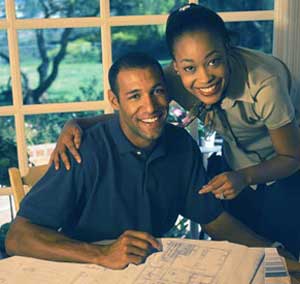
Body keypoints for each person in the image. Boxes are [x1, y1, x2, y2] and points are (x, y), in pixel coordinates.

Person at [50, 4, 300, 260]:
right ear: (176, 66)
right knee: (246, 250)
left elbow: (291, 158)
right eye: (190, 68)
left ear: (228, 48)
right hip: (235, 166)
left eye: (213, 61)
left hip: (284, 166)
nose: (204, 78)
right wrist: (79, 124)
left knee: (284, 251)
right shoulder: (167, 81)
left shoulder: (265, 83)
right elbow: (137, 111)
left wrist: (245, 179)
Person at [6, 52, 281, 271]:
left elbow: (213, 220)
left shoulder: (182, 146)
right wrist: (102, 254)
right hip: (84, 266)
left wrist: (275, 252)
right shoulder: (82, 150)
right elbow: (18, 236)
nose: (150, 107)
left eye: (157, 91)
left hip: (150, 268)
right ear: (114, 100)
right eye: (134, 96)